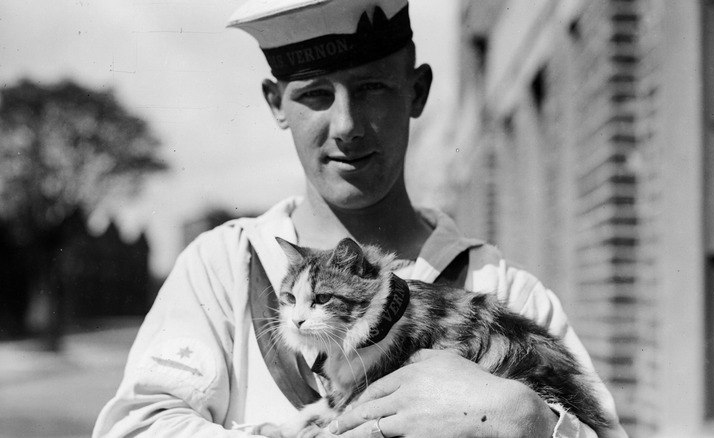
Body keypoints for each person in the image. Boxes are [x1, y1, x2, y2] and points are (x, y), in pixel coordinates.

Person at [93, 0, 628, 437]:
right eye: (316, 94)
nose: (346, 125)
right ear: (276, 103)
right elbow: (137, 426)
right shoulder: (224, 268)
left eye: (372, 87)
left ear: (416, 91)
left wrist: (531, 423)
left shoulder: (501, 287)